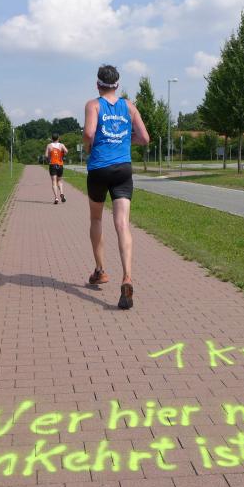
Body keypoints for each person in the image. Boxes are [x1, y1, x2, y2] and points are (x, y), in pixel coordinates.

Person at [83, 65, 149, 310]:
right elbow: (144, 138)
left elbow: (89, 133)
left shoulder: (94, 105)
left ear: (98, 84)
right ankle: (127, 277)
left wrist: (89, 146)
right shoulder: (129, 106)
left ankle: (100, 270)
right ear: (117, 85)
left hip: (99, 168)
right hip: (123, 169)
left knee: (96, 219)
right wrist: (125, 139)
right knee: (122, 224)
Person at [45, 133, 68, 204]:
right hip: (60, 164)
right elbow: (66, 151)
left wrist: (49, 159)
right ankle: (62, 193)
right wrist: (63, 155)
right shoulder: (61, 145)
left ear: (52, 138)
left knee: (54, 182)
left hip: (52, 164)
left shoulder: (49, 145)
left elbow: (46, 155)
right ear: (58, 138)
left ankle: (56, 198)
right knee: (59, 181)